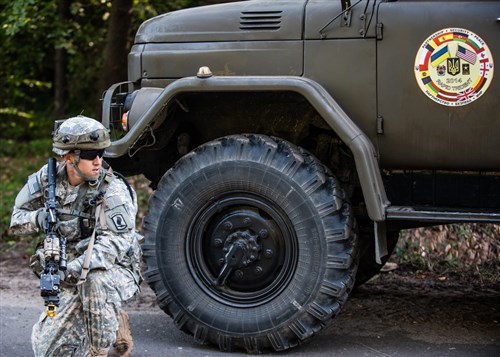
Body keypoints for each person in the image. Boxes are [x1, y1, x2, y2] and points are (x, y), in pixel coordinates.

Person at [9, 115, 142, 357]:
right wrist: (39, 218)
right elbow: (16, 221)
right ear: (69, 157)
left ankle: (99, 349)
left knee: (95, 281)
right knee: (49, 351)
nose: (98, 161)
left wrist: (74, 268)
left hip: (112, 269)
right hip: (68, 268)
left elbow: (115, 243)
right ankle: (106, 317)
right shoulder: (47, 179)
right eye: (91, 155)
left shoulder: (112, 189)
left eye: (101, 153)